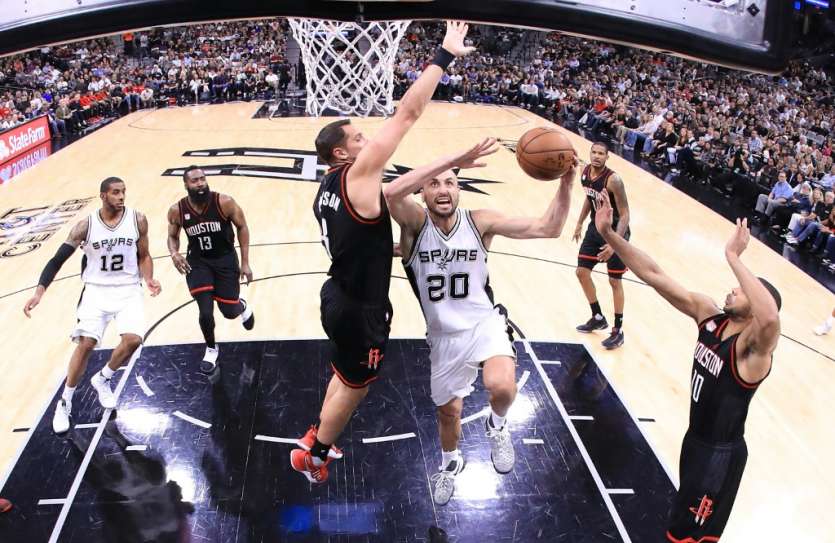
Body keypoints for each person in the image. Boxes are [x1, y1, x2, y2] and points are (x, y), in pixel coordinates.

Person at [290, 21, 475, 485]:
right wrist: (444, 55)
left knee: (343, 375)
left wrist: (451, 163)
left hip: (337, 296)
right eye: (357, 138)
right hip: (361, 309)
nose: (367, 141)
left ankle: (317, 435)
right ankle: (315, 457)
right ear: (340, 154)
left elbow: (386, 200)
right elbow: (408, 113)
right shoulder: (356, 174)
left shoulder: (328, 187)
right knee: (356, 386)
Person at [386, 140, 575, 505]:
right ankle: (450, 463)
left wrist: (566, 183)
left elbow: (548, 228)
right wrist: (454, 157)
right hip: (443, 337)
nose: (443, 190)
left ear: (459, 189)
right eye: (434, 183)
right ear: (422, 191)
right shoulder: (414, 225)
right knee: (449, 413)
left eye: (450, 182)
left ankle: (497, 425)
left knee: (501, 386)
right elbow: (392, 194)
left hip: (484, 324)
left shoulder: (479, 222)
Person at [594, 192, 780, 543]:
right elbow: (653, 274)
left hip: (720, 455)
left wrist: (733, 256)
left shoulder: (752, 351)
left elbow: (770, 317)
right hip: (695, 441)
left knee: (684, 537)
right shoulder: (709, 315)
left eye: (741, 291)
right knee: (685, 532)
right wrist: (609, 235)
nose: (732, 291)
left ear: (756, 305)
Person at [23, 178, 161, 433]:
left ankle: (103, 378)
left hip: (128, 288)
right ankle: (65, 401)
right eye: (116, 193)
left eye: (123, 192)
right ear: (103, 196)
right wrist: (39, 293)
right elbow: (56, 261)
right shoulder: (85, 227)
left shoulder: (138, 220)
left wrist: (149, 278)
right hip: (96, 291)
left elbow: (144, 255)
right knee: (86, 343)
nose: (121, 197)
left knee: (133, 340)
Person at [166, 166, 254, 374]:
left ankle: (240, 306)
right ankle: (211, 349)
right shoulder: (177, 210)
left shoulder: (224, 202)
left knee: (229, 312)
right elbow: (172, 236)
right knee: (205, 311)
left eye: (202, 179)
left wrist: (245, 262)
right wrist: (174, 253)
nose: (200, 184)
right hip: (198, 262)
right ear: (186, 184)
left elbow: (242, 227)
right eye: (195, 180)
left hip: (225, 260)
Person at [572, 141, 631, 349]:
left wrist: (615, 244)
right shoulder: (585, 172)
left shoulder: (614, 180)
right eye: (594, 152)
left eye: (601, 153)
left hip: (615, 232)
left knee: (614, 281)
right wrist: (579, 222)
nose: (596, 156)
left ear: (607, 157)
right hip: (595, 229)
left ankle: (618, 330)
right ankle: (597, 316)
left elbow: (625, 214)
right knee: (581, 272)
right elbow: (589, 198)